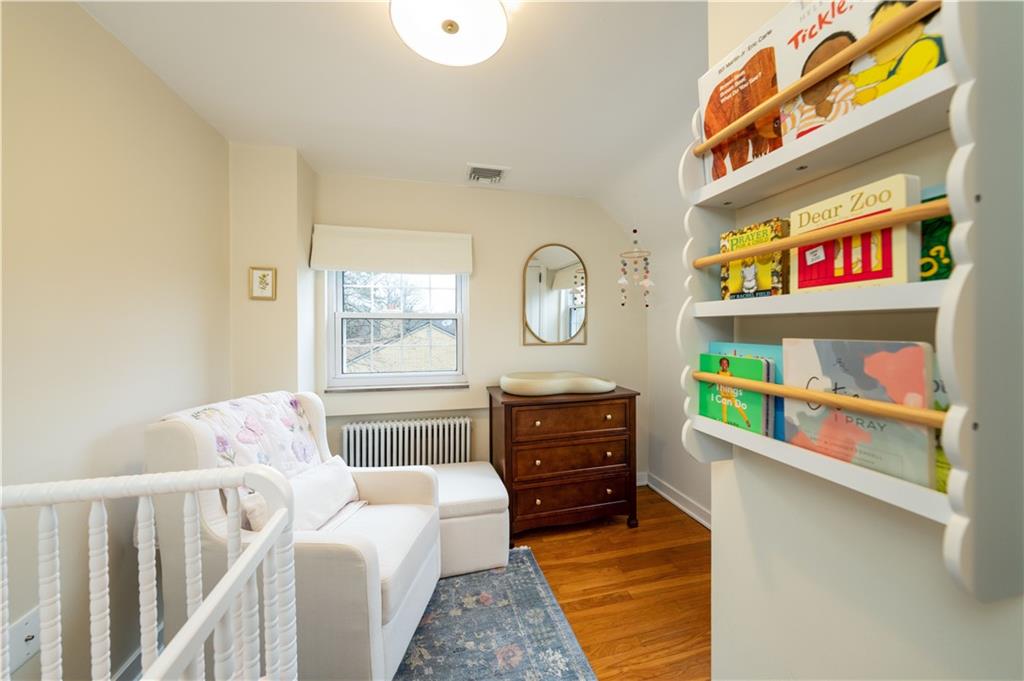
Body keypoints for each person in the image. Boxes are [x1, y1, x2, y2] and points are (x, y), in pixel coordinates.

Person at [849, 0, 946, 105]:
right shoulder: (901, 54)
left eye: (883, 37)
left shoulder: (925, 47)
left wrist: (875, 92)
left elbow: (904, 78)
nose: (871, 50)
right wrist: (857, 79)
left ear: (913, 28)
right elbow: (884, 69)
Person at [717, 357, 751, 428]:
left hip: (730, 394)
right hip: (723, 395)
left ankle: (746, 420)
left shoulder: (730, 373)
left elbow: (734, 382)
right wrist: (711, 384)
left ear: (728, 365)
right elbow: (715, 380)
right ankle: (724, 424)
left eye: (726, 363)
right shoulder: (718, 372)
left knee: (738, 407)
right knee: (724, 411)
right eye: (723, 363)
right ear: (720, 364)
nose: (724, 364)